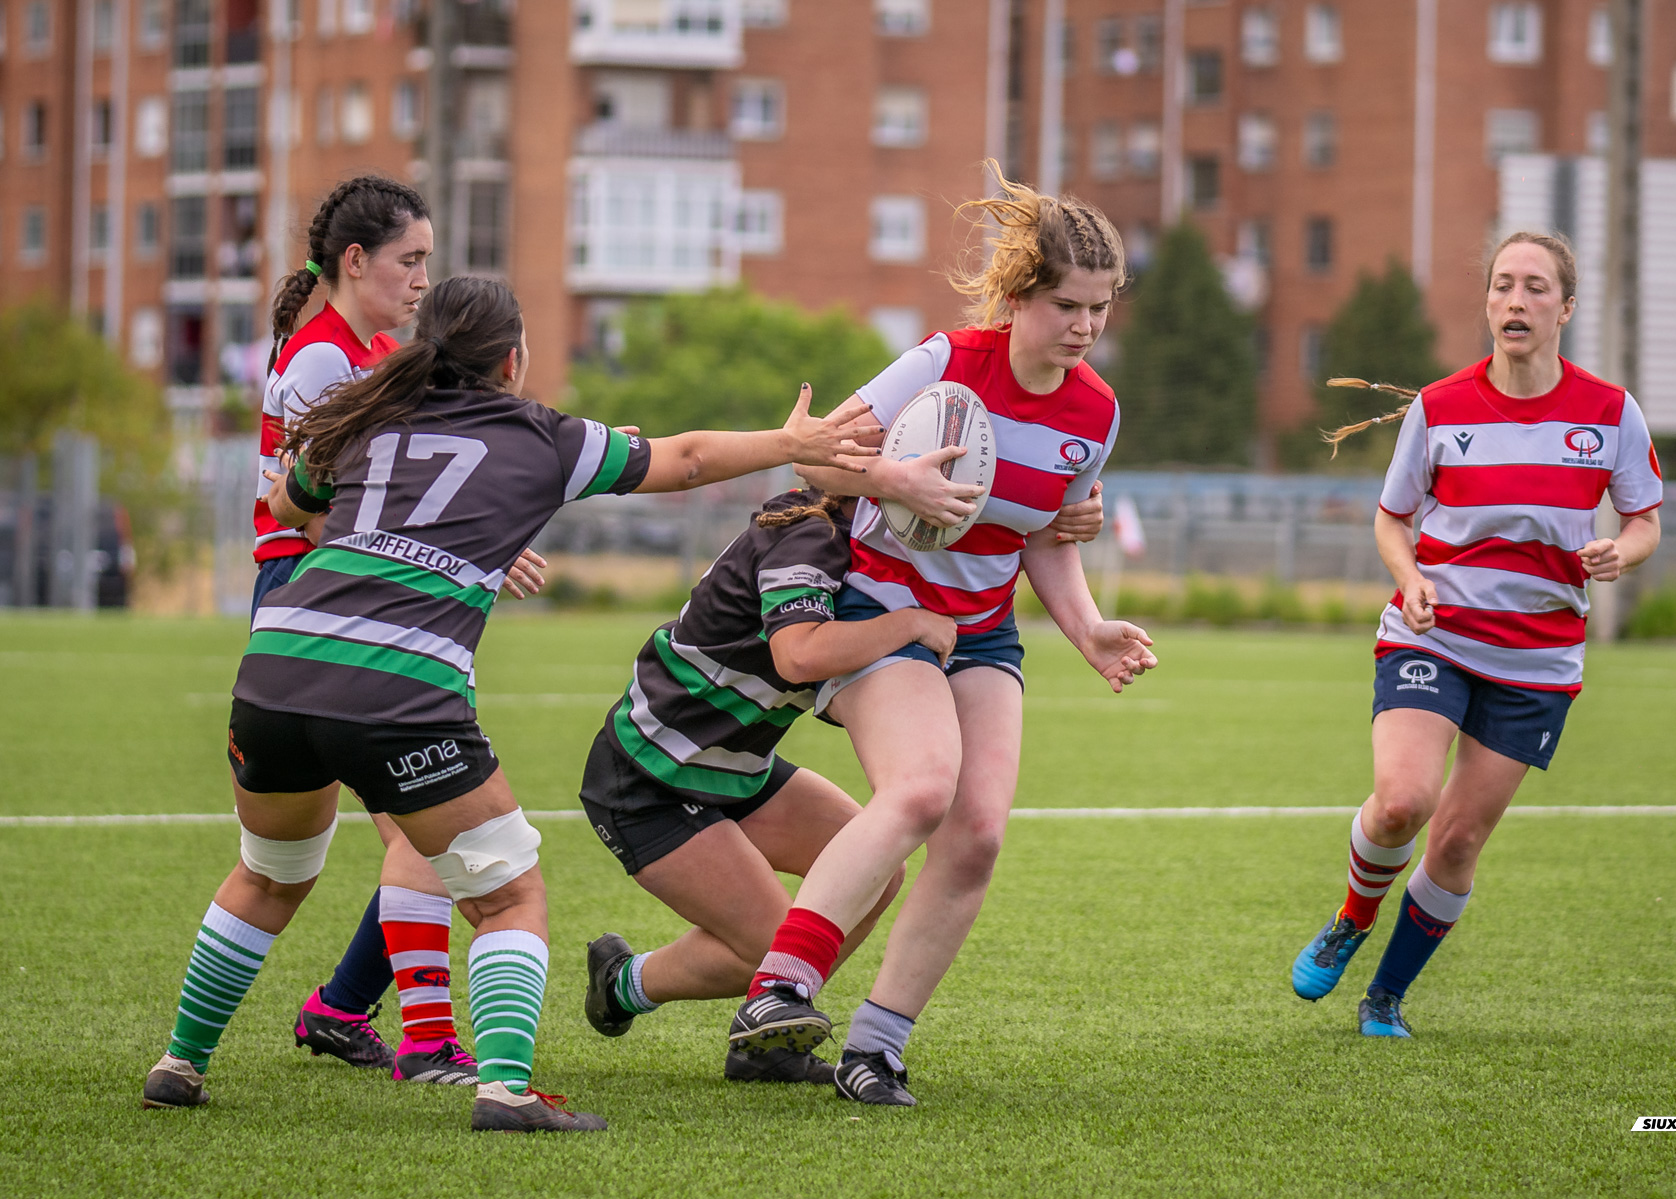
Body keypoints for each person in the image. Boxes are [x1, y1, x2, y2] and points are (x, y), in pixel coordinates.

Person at [141, 275, 880, 1131]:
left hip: (275, 666)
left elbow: (285, 505)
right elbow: (684, 459)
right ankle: (504, 1091)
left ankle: (180, 1062)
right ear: (511, 359)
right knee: (507, 895)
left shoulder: (362, 413)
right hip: (397, 686)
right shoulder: (543, 435)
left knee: (268, 876)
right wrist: (789, 440)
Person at [724, 166, 1158, 1106]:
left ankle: (876, 1050)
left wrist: (1087, 628)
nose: (1084, 326)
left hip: (983, 631)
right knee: (922, 789)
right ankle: (779, 989)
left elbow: (1045, 535)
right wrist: (893, 478)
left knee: (977, 834)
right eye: (1066, 305)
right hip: (876, 609)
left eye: (1100, 308)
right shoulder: (943, 361)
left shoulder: (1097, 412)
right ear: (1018, 295)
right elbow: (819, 457)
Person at [578, 476, 1104, 1085]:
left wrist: (1060, 511)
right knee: (772, 947)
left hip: (737, 766)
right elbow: (799, 655)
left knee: (873, 874)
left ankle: (767, 1045)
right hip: (652, 774)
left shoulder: (871, 539)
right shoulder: (814, 534)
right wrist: (910, 622)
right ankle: (624, 983)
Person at [1288, 231, 1663, 1037]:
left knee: (1457, 841)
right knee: (1402, 803)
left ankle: (1385, 997)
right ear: (1488, 302)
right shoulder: (1441, 406)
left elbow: (1645, 519)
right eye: (1502, 285)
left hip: (1538, 659)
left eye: (1534, 287)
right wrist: (1411, 578)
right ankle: (1354, 916)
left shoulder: (1610, 413)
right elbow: (1392, 520)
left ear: (1565, 308)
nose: (1515, 301)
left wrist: (1620, 551)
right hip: (1436, 634)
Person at [256, 175, 540, 1087]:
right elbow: (308, 507)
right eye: (409, 260)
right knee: (428, 834)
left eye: (428, 261)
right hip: (320, 593)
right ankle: (415, 1035)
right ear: (354, 261)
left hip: (347, 598)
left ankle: (344, 1007)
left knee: (421, 833)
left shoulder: (372, 353)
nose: (423, 280)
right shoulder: (322, 360)